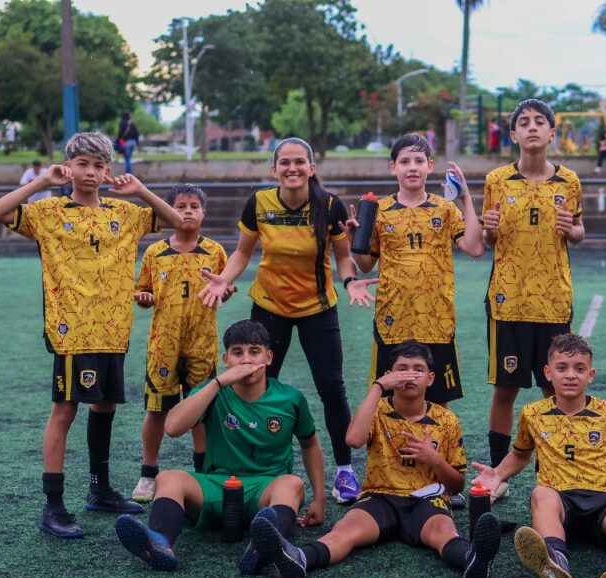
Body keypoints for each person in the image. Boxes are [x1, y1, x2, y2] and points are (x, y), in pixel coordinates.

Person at [0, 131, 184, 538]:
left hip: (114, 329)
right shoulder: (49, 212)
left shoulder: (125, 213)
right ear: (68, 167)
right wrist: (40, 183)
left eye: (98, 166)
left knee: (105, 405)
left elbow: (178, 222)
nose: (90, 172)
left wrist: (141, 189)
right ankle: (53, 507)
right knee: (65, 410)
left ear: (108, 170)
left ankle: (100, 490)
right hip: (72, 330)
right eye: (83, 164)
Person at [197, 137, 377, 506]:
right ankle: (258, 467)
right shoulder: (259, 203)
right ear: (273, 169)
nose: (292, 168)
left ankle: (344, 471)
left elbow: (343, 258)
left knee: (332, 389)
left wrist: (350, 280)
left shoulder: (329, 204)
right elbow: (243, 251)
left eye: (300, 162)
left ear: (312, 168)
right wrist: (225, 279)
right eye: (285, 163)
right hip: (269, 307)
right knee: (255, 384)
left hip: (317, 308)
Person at [244, 340, 501, 578]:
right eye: (402, 369)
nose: (410, 375)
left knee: (443, 530)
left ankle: (473, 560)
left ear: (430, 378)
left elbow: (456, 486)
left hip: (426, 501)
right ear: (390, 375)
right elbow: (353, 440)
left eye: (418, 369)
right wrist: (378, 386)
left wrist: (434, 459)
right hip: (380, 497)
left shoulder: (447, 420)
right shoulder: (377, 409)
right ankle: (298, 558)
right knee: (345, 529)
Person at [114, 320, 327, 572]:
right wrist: (217, 383)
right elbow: (172, 427)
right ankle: (160, 543)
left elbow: (310, 444)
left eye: (254, 351)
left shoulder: (290, 398)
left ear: (268, 357)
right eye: (237, 353)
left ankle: (263, 548)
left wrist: (320, 498)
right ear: (226, 359)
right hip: (216, 487)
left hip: (265, 491)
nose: (246, 359)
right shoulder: (212, 391)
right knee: (169, 477)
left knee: (292, 483)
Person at [471, 334, 606, 578]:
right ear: (548, 372)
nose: (570, 375)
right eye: (562, 368)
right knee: (541, 494)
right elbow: (520, 455)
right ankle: (555, 562)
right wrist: (498, 474)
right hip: (560, 504)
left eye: (579, 368)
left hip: (604, 505)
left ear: (591, 374)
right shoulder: (532, 414)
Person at [481, 99, 586, 495]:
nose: (532, 127)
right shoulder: (497, 180)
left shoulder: (569, 181)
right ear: (513, 135)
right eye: (523, 122)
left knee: (554, 389)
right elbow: (491, 239)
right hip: (508, 300)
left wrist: (571, 230)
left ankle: (554, 473)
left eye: (540, 122)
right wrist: (489, 229)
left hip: (554, 300)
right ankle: (494, 475)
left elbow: (578, 231)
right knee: (505, 389)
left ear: (552, 133)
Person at [352, 133, 482, 405]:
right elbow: (366, 265)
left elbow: (474, 247)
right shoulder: (379, 210)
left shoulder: (445, 209)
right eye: (405, 161)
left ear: (429, 165)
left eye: (419, 160)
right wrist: (353, 237)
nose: (412, 167)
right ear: (393, 167)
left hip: (437, 320)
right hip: (393, 320)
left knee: (438, 402)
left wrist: (466, 197)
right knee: (388, 401)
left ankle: (438, 449)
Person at [131, 183, 231, 503]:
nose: (187, 211)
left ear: (204, 213)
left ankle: (203, 472)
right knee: (156, 409)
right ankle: (148, 474)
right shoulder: (155, 252)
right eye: (181, 206)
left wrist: (225, 290)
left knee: (199, 410)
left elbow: (226, 287)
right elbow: (142, 291)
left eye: (194, 206)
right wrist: (143, 298)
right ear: (169, 210)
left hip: (202, 343)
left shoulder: (215, 251)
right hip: (163, 344)